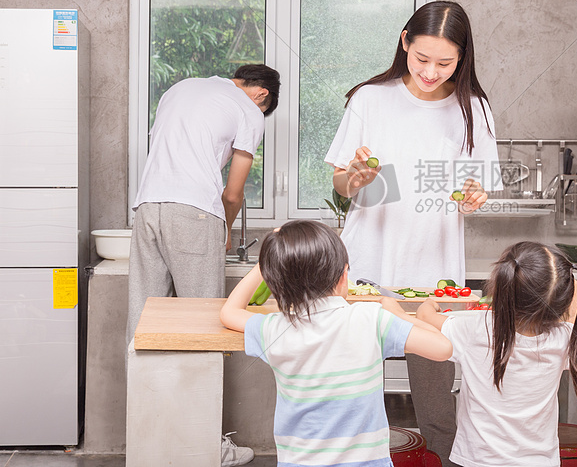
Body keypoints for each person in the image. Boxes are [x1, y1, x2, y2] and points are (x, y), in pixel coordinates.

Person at [324, 0, 501, 465]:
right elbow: (342, 182)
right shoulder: (370, 99)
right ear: (404, 41)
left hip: (436, 281)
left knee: (438, 404)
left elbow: (478, 190)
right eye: (422, 58)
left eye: (445, 63)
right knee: (355, 395)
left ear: (463, 57)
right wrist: (355, 179)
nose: (430, 71)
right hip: (364, 272)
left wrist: (474, 196)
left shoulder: (473, 109)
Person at [127, 63, 279, 467]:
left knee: (144, 325)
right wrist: (224, 229)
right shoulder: (249, 111)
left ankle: (147, 441)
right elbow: (233, 192)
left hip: (147, 209)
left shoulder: (180, 87)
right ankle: (206, 447)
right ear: (262, 95)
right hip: (194, 214)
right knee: (206, 329)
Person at [220, 220, 453, 467]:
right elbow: (443, 348)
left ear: (276, 282)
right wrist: (401, 314)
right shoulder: (371, 318)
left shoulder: (276, 328)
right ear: (344, 275)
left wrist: (265, 262)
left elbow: (229, 312)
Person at [416, 241, 577, 467]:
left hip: (479, 461)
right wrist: (567, 278)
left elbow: (424, 318)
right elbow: (576, 299)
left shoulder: (476, 330)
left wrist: (430, 303)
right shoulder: (565, 338)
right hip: (539, 462)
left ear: (501, 289)